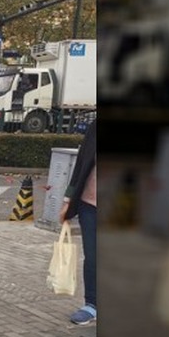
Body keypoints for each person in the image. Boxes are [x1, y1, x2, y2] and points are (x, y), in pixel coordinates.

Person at [60, 121, 96, 325]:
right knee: (92, 256)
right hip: (89, 204)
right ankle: (91, 304)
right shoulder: (95, 127)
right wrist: (67, 201)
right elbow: (81, 163)